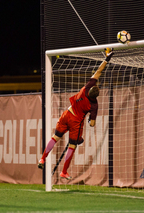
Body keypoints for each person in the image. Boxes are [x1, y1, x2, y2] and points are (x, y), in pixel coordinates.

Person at [38, 49, 114, 180]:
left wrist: (106, 59)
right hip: (76, 122)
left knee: (55, 137)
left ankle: (42, 159)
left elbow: (98, 72)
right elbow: (92, 124)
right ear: (97, 96)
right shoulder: (94, 105)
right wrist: (91, 118)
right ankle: (64, 171)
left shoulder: (86, 87)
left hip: (67, 113)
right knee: (72, 146)